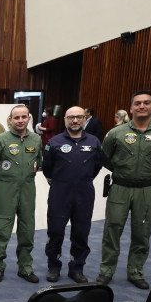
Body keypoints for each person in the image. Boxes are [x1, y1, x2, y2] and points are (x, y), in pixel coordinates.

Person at [97, 91, 151, 289]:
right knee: (112, 229)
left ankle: (136, 271)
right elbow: (104, 156)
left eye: (146, 103)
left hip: (147, 189)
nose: (142, 106)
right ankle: (106, 270)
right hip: (120, 188)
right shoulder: (116, 133)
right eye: (137, 103)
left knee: (142, 232)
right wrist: (120, 170)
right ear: (131, 108)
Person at [42, 106, 103, 283]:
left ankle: (76, 267)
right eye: (71, 118)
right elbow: (47, 168)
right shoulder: (54, 142)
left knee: (81, 232)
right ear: (65, 120)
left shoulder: (94, 142)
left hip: (84, 193)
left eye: (79, 117)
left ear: (85, 119)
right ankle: (53, 266)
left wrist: (83, 179)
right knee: (55, 231)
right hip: (60, 193)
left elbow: (97, 166)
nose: (75, 121)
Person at [0, 104, 43, 283]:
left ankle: (25, 268)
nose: (20, 120)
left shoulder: (36, 140)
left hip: (28, 190)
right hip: (5, 191)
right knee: (2, 231)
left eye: (23, 117)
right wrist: (4, 184)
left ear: (29, 118)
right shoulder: (0, 141)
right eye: (16, 117)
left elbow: (38, 163)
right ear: (10, 120)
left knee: (27, 230)